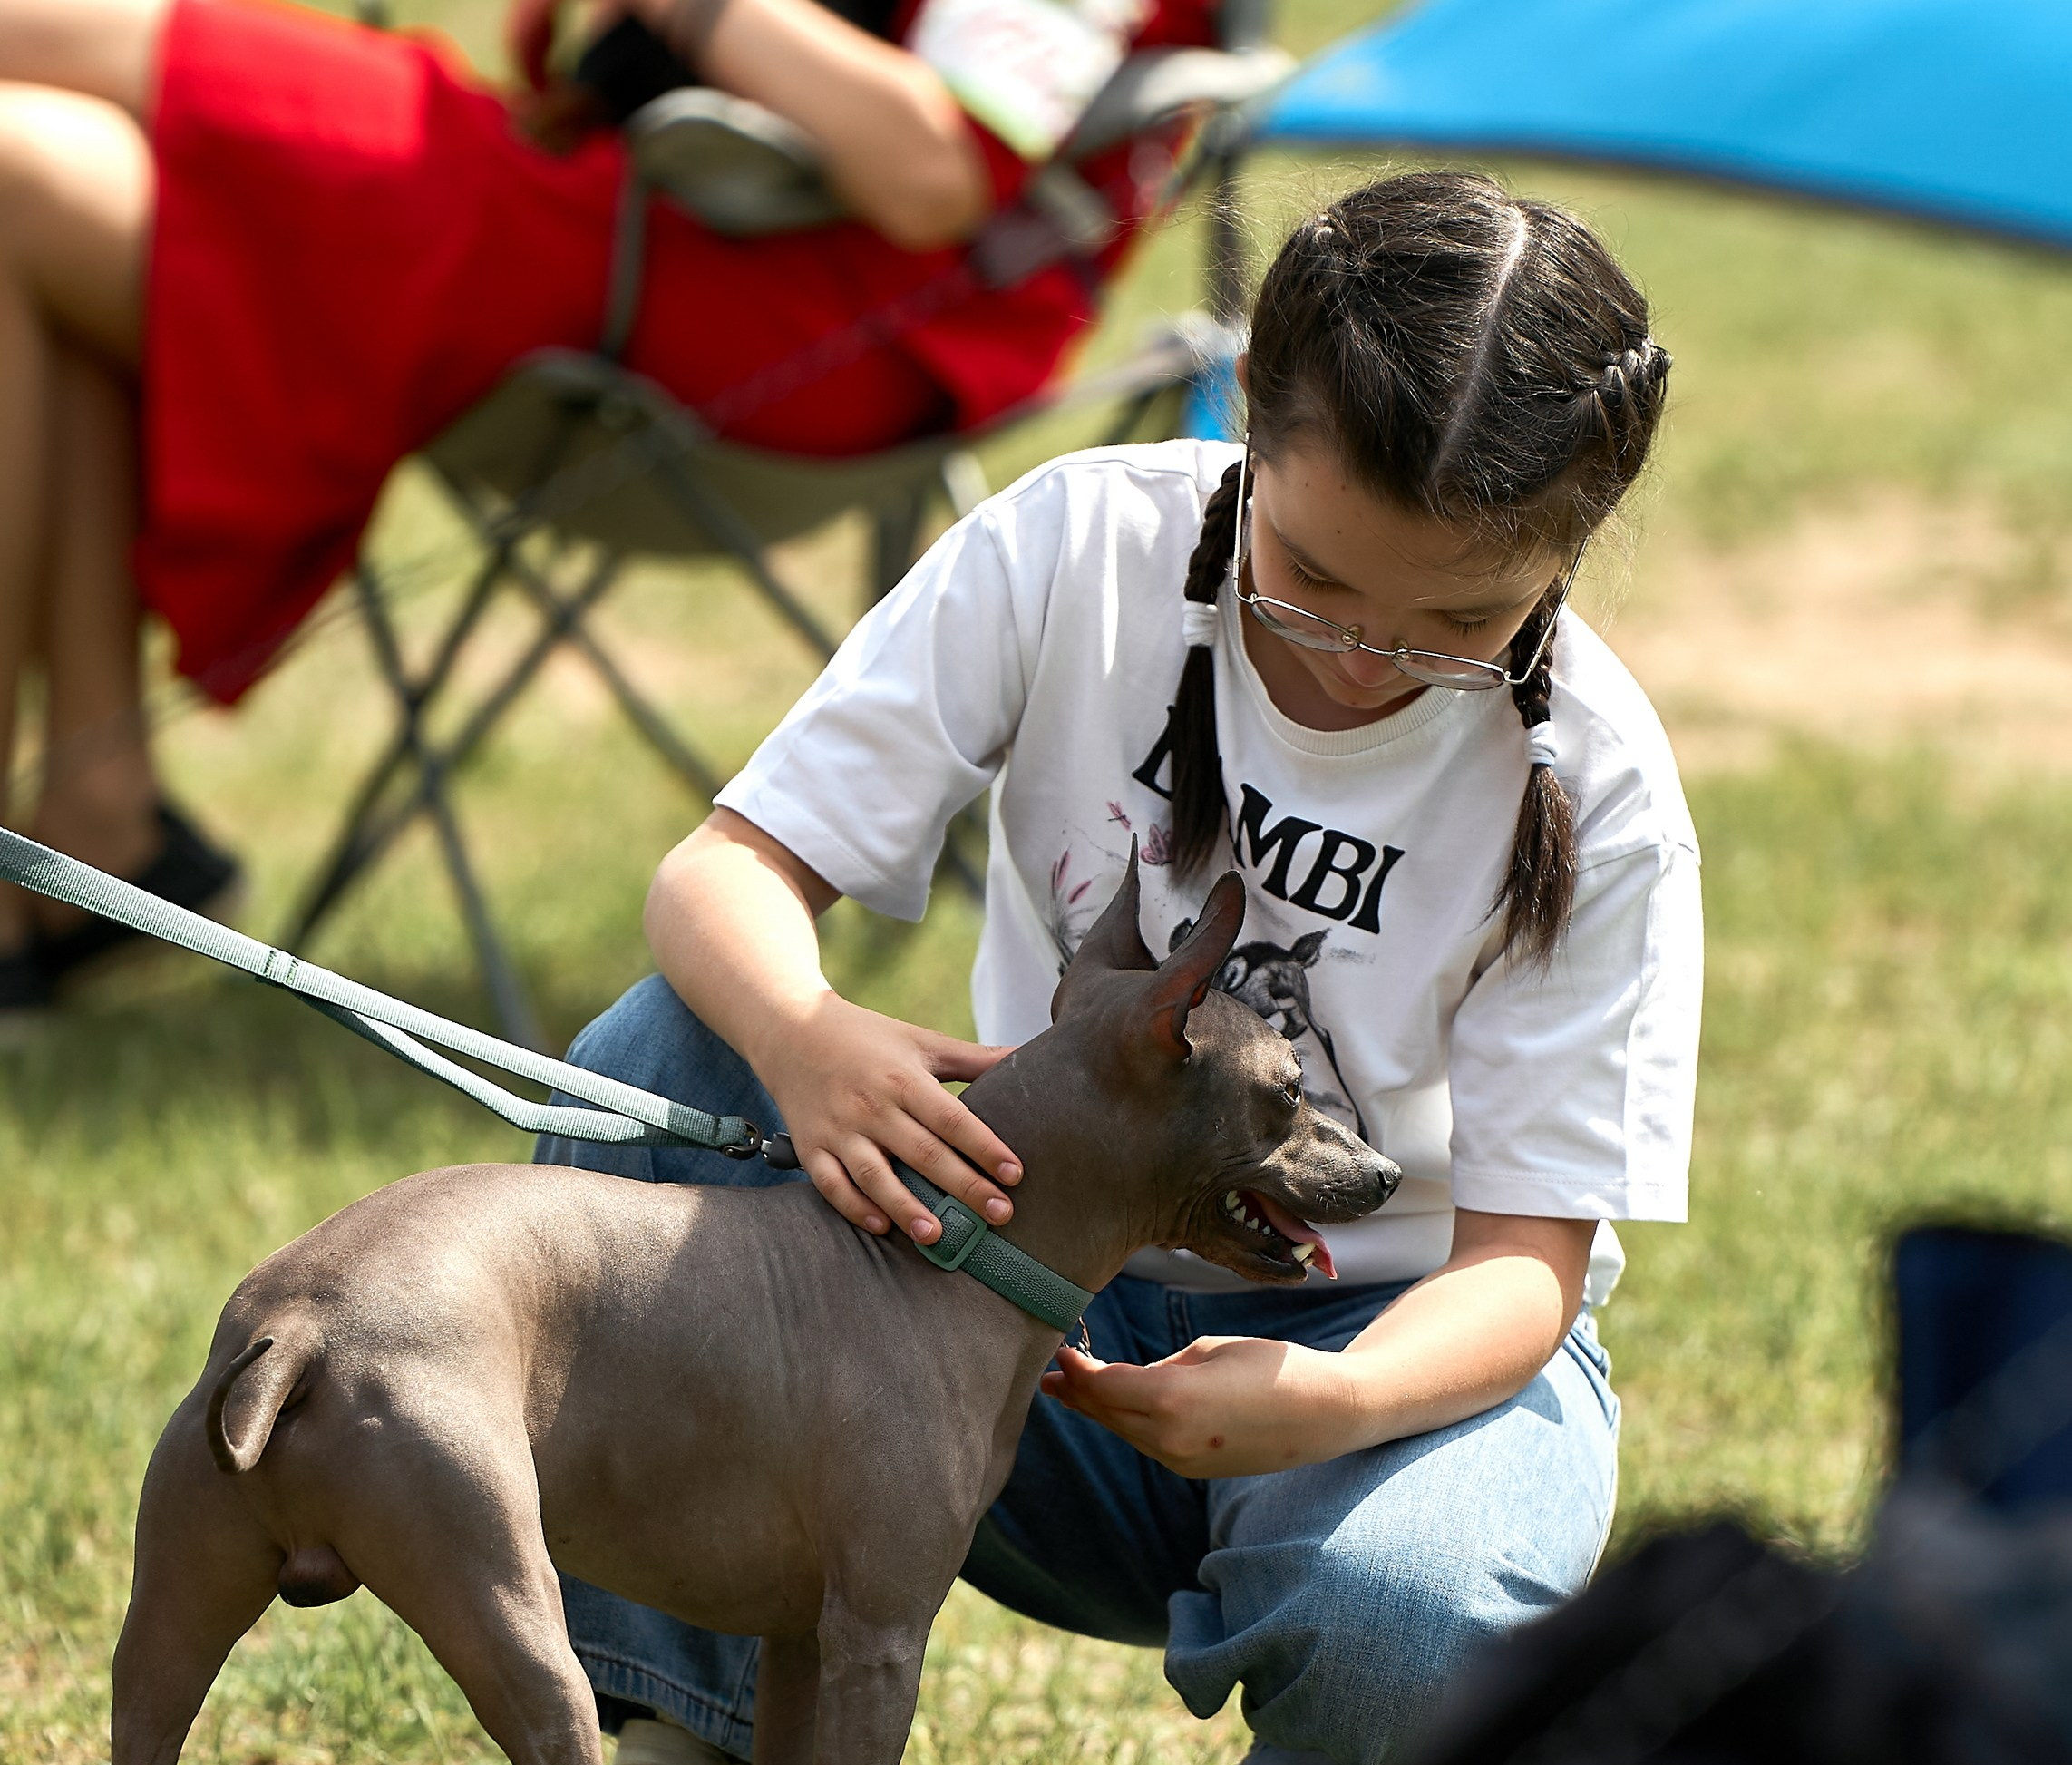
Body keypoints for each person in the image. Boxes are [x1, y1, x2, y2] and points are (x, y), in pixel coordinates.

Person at [441, 168, 1703, 1765]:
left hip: (1375, 1363)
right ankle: (695, 1764)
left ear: (1562, 565)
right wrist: (802, 1036)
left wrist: (1331, 1403)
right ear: (1243, 439)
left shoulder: (1606, 786)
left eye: (1451, 630)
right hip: (986, 1299)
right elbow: (725, 875)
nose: (1360, 664)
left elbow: (1526, 1268)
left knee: (1418, 1622)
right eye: (1318, 583)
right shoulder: (1084, 546)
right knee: (667, 1061)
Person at [0, 0, 1210, 1024]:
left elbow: (927, 169)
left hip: (756, 301)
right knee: (22, 166)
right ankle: (98, 817)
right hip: (640, 213)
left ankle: (90, 829)